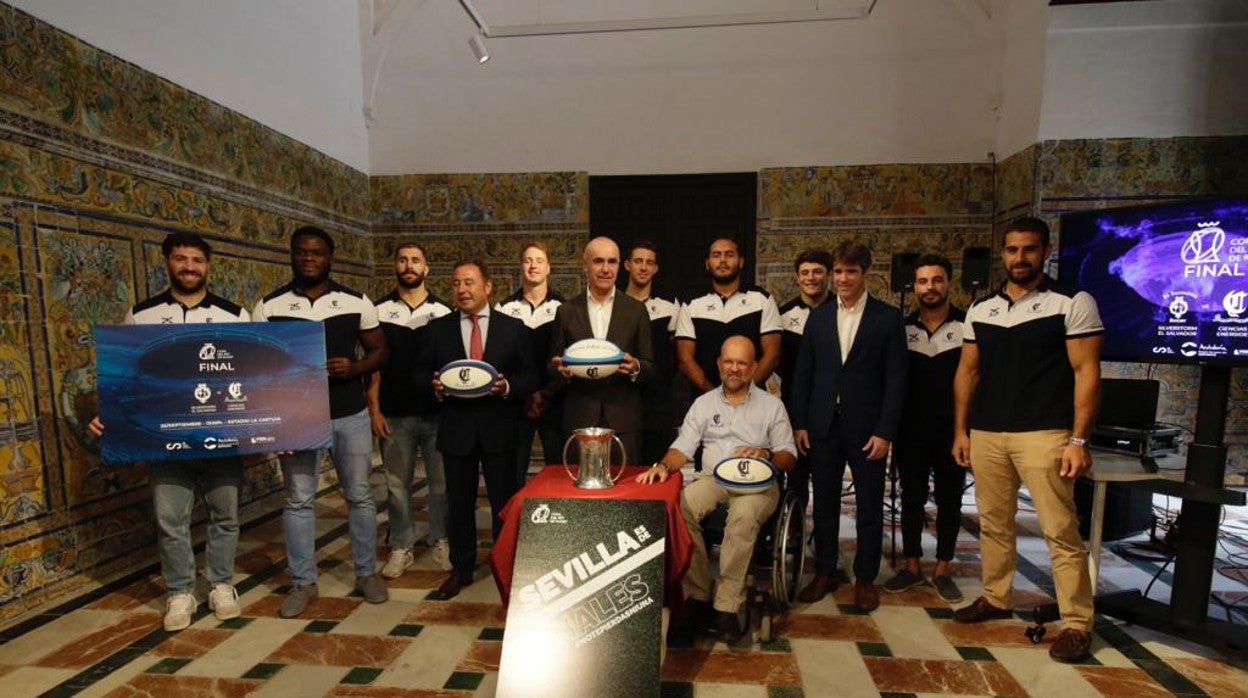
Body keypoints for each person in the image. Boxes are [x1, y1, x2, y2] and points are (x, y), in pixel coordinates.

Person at [951, 216, 1103, 664]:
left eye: (1029, 249)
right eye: (1013, 250)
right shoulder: (981, 309)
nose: (1020, 258)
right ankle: (997, 597)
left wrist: (1078, 439)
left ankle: (1077, 622)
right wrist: (961, 430)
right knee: (994, 523)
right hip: (989, 432)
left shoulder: (1072, 302)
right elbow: (968, 372)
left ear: (1046, 251)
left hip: (1045, 432)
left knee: (1059, 530)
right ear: (1003, 254)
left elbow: (1087, 372)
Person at [89, 232, 248, 632]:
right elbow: (126, 377)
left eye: (197, 260)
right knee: (170, 518)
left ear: (208, 266)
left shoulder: (235, 316)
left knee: (225, 514)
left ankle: (220, 583)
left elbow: (251, 377)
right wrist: (106, 414)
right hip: (166, 439)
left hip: (221, 437)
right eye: (181, 259)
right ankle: (180, 591)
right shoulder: (140, 316)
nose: (190, 266)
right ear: (167, 263)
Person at [253, 226, 389, 617]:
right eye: (301, 253)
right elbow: (259, 365)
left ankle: (366, 573)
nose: (309, 259)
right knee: (298, 500)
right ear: (292, 256)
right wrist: (274, 420)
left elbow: (380, 351)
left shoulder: (356, 301)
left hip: (350, 414)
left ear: (330, 257)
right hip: (298, 419)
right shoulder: (269, 306)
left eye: (316, 253)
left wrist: (356, 366)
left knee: (360, 496)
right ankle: (302, 582)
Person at [636, 336, 796, 640]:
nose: (734, 369)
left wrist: (767, 454)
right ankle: (697, 595)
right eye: (728, 362)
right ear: (719, 364)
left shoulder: (772, 406)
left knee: (743, 516)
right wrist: (663, 465)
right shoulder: (703, 404)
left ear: (753, 367)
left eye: (741, 363)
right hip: (714, 479)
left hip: (758, 486)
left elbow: (789, 458)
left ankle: (726, 604)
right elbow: (682, 447)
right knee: (681, 506)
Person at [791, 241, 906, 612]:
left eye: (850, 272)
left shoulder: (887, 318)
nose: (842, 279)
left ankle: (866, 578)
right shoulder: (819, 318)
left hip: (868, 430)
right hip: (823, 426)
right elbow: (803, 375)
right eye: (837, 271)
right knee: (823, 504)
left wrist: (885, 431)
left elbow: (896, 381)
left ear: (865, 273)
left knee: (869, 506)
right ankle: (825, 571)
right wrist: (801, 423)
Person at [417, 259, 538, 599]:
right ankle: (462, 569)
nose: (462, 289)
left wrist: (509, 387)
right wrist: (434, 386)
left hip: (500, 428)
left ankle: (505, 567)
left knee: (504, 502)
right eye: (456, 283)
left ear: (487, 287)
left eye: (469, 282)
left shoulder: (513, 329)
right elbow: (418, 374)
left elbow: (531, 375)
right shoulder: (437, 329)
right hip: (456, 430)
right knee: (459, 503)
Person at [882, 254, 967, 603]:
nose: (929, 288)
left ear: (948, 283)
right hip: (910, 429)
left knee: (950, 499)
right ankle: (912, 564)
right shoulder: (902, 329)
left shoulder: (967, 325)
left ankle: (943, 566)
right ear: (914, 286)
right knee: (911, 497)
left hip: (952, 430)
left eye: (936, 280)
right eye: (922, 281)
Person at [368, 243, 453, 578]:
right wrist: (374, 409)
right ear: (395, 266)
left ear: (426, 268)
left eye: (416, 260)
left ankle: (440, 539)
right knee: (396, 485)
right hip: (394, 414)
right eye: (403, 259)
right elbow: (373, 367)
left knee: (441, 486)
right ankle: (401, 544)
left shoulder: (444, 312)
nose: (409, 265)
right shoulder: (378, 312)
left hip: (438, 415)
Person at [545, 236, 655, 461]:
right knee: (579, 492)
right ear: (585, 265)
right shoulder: (566, 311)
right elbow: (551, 364)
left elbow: (650, 366)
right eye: (598, 261)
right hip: (579, 419)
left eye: (612, 262)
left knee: (624, 492)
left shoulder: (636, 311)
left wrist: (635, 367)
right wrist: (560, 371)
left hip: (624, 421)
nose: (606, 269)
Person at [496, 240, 565, 486]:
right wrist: (524, 394)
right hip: (516, 404)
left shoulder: (564, 308)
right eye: (527, 260)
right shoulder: (504, 308)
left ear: (549, 268)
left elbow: (568, 358)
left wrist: (545, 394)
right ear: (521, 267)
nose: (533, 266)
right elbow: (499, 358)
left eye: (539, 261)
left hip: (555, 401)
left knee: (559, 474)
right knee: (512, 475)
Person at [674, 237, 781, 394]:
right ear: (707, 263)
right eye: (716, 255)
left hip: (754, 399)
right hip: (705, 398)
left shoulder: (761, 299)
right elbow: (685, 359)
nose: (723, 260)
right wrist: (715, 397)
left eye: (729, 255)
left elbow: (773, 354)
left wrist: (745, 392)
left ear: (741, 262)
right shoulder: (691, 304)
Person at [777, 248, 833, 504]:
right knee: (795, 478)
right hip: (792, 408)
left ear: (829, 275)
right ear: (797, 278)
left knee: (826, 480)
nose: (811, 278)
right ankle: (794, 536)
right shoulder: (783, 316)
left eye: (818, 272)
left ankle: (824, 541)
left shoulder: (841, 311)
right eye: (805, 273)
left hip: (832, 409)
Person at [623, 241, 680, 464]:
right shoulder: (614, 304)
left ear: (655, 268)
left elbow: (676, 354)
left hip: (659, 401)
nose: (643, 267)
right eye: (638, 261)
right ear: (627, 265)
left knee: (655, 466)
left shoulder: (669, 306)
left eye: (649, 262)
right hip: (622, 397)